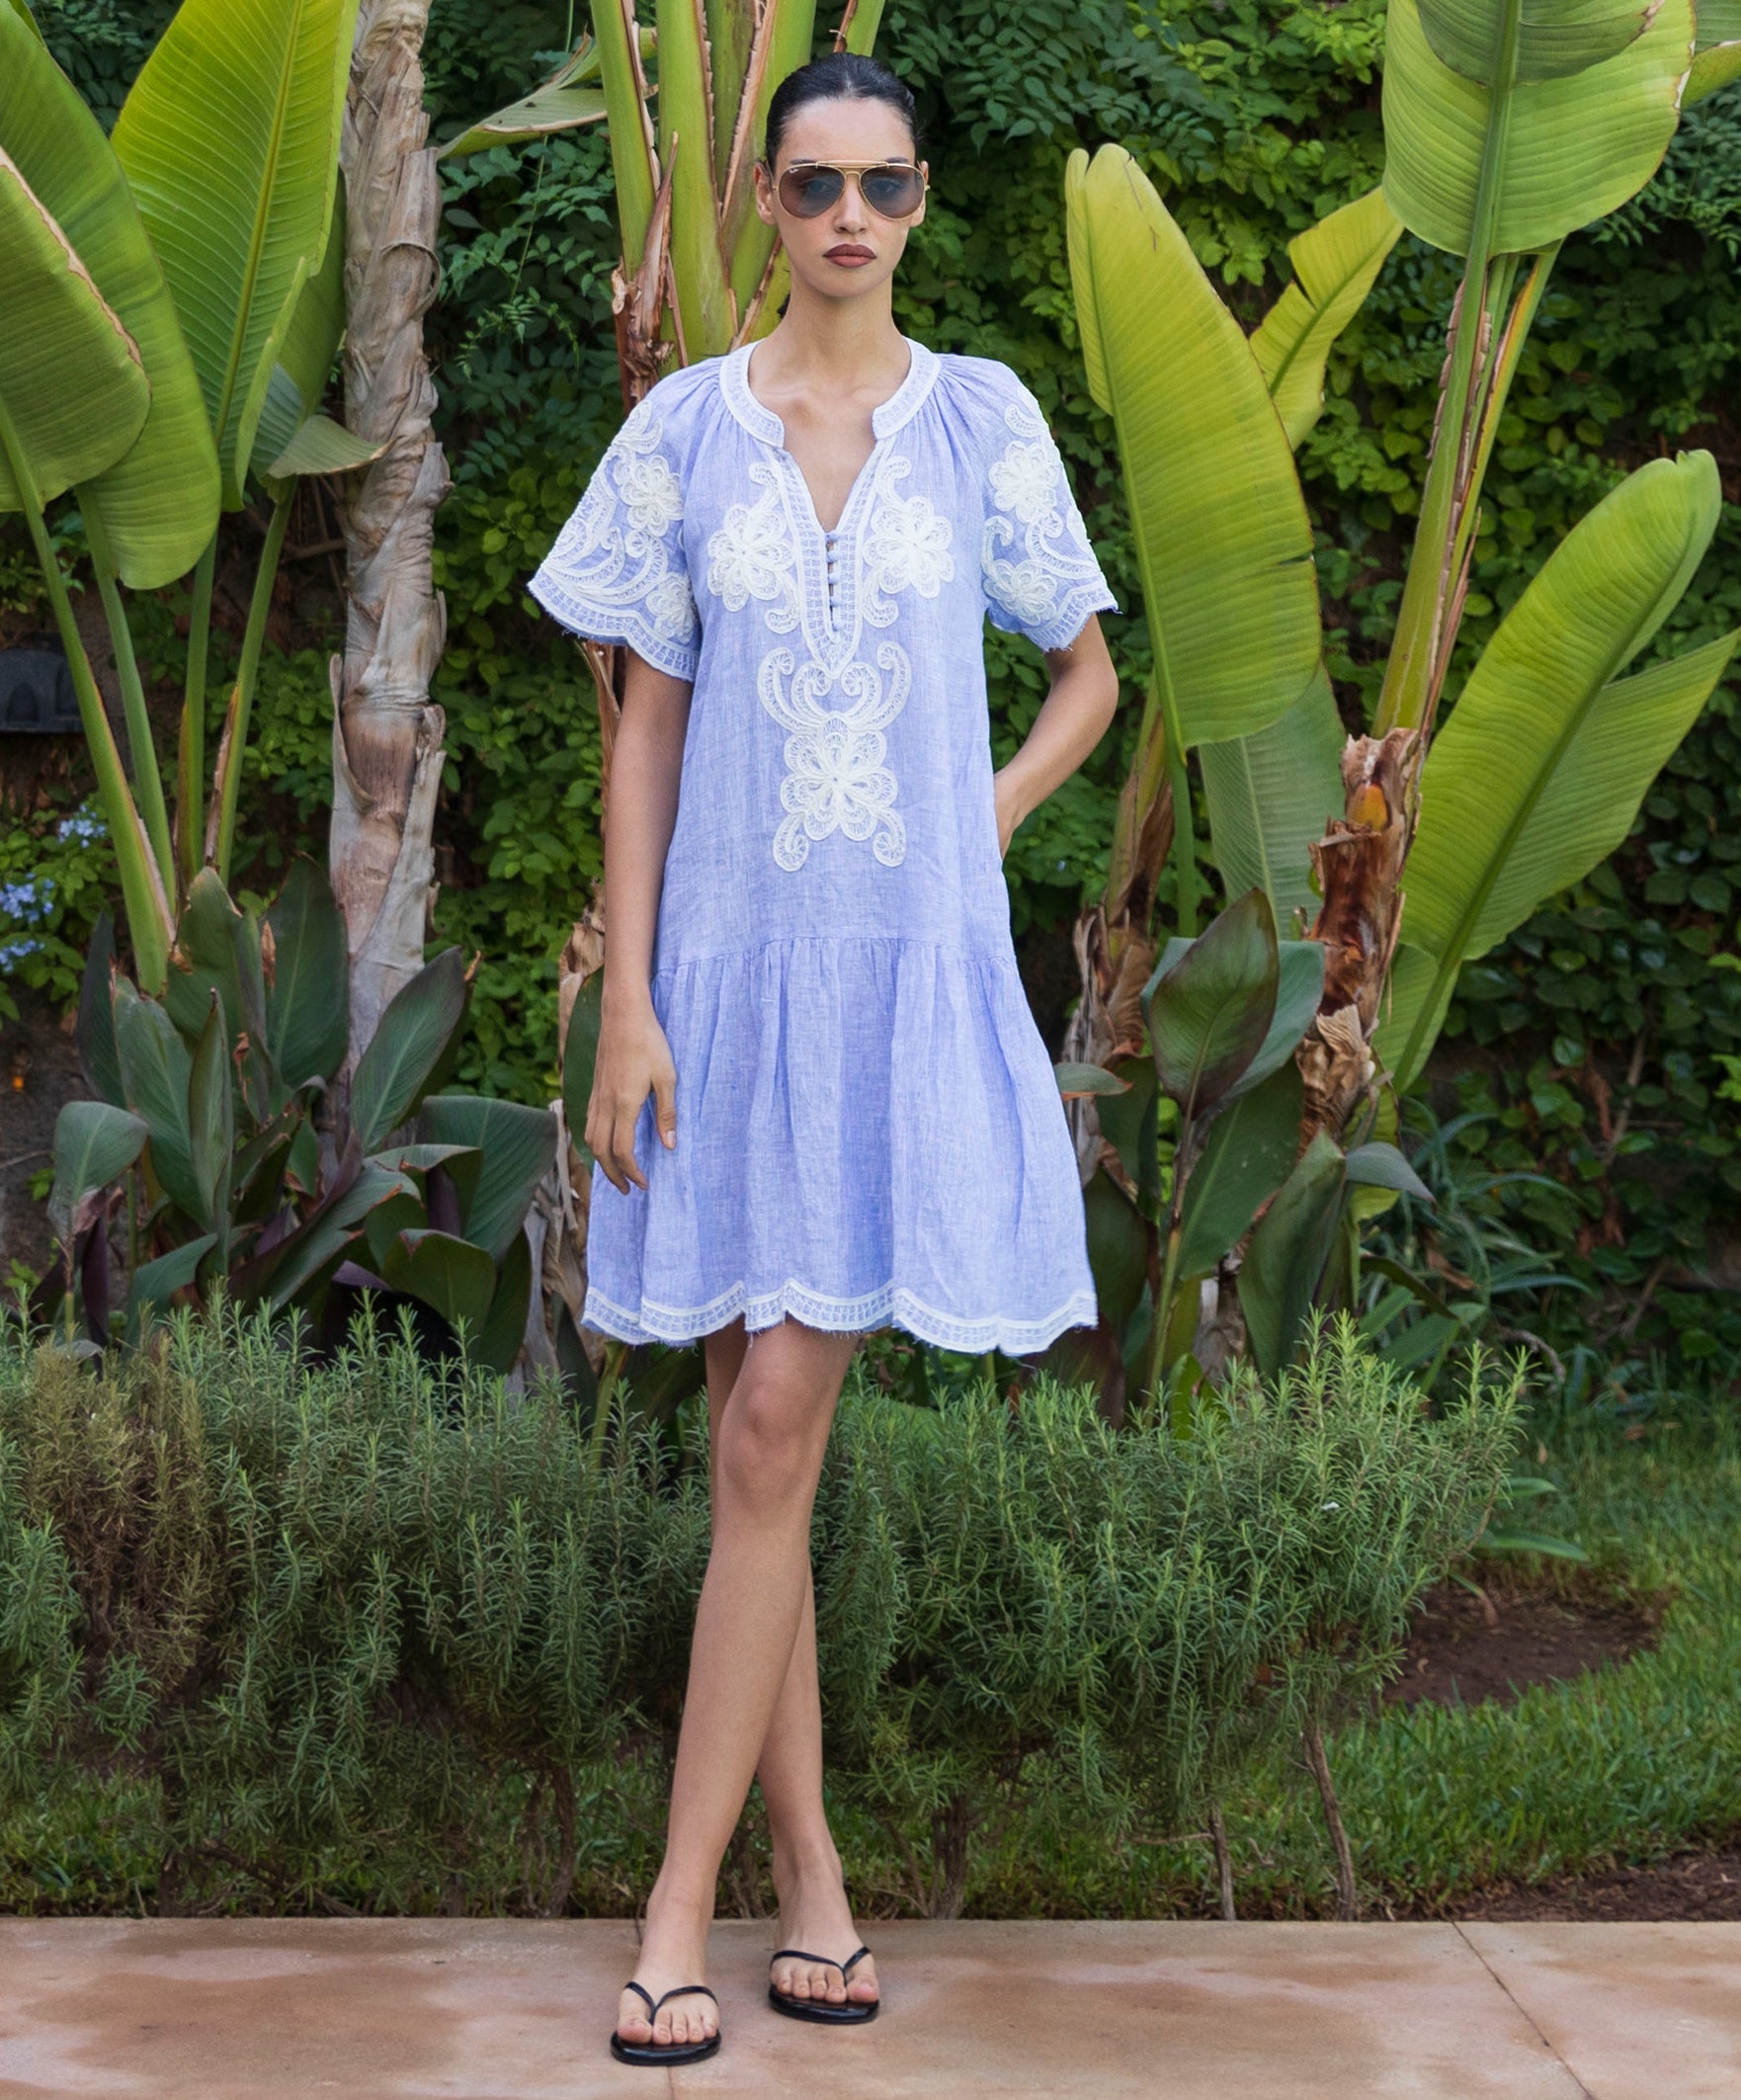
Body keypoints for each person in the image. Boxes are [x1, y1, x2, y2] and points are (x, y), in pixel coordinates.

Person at [526, 48, 1121, 2068]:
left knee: (768, 1430)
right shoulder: (686, 433)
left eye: (878, 181)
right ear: (763, 209)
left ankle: (669, 1914)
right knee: (745, 1450)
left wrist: (980, 817)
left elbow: (1087, 667)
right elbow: (641, 727)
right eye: (809, 183)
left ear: (920, 201)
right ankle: (813, 1882)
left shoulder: (984, 424)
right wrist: (627, 996)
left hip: (901, 982)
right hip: (719, 986)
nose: (845, 213)